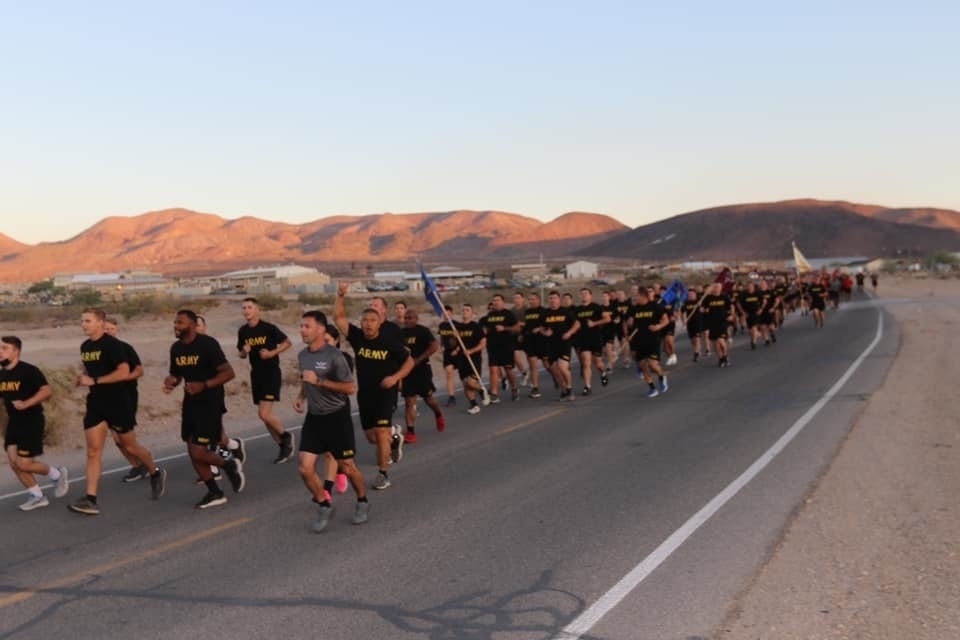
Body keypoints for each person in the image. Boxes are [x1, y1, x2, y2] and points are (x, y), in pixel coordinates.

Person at [70, 308, 165, 515]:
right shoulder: (85, 346)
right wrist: (81, 378)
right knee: (93, 451)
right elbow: (91, 369)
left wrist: (94, 381)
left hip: (118, 402)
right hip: (96, 403)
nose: (83, 324)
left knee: (129, 445)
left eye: (87, 321)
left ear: (100, 323)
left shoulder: (114, 345)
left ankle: (154, 471)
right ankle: (90, 499)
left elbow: (123, 372)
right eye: (82, 321)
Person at [334, 283, 414, 490]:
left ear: (380, 322)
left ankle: (383, 473)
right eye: (365, 320)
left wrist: (395, 378)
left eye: (372, 320)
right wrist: (340, 296)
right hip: (365, 395)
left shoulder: (389, 342)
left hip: (385, 394)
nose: (368, 324)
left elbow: (409, 361)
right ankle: (393, 439)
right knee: (372, 438)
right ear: (361, 323)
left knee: (380, 431)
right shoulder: (358, 338)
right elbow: (339, 319)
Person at [294, 310, 368, 532]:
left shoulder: (335, 356)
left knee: (347, 466)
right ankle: (324, 504)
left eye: (307, 326)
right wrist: (301, 396)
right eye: (301, 326)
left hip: (337, 418)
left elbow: (350, 388)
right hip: (314, 418)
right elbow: (306, 380)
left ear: (320, 330)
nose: (302, 330)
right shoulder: (303, 355)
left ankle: (362, 501)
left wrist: (321, 382)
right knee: (305, 469)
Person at [164, 310, 245, 509]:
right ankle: (215, 492)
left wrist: (204, 385)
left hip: (210, 403)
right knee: (192, 451)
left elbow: (229, 373)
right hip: (190, 404)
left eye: (180, 322)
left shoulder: (207, 344)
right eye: (175, 322)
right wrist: (172, 381)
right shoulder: (176, 348)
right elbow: (177, 374)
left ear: (191, 325)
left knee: (199, 451)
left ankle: (229, 464)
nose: (176, 325)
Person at [1, 336, 69, 511]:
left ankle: (56, 474)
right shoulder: (2, 374)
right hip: (13, 423)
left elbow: (47, 391)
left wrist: (26, 403)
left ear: (16, 351)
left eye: (4, 348)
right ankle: (37, 496)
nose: (0, 352)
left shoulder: (29, 371)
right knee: (14, 462)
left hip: (31, 422)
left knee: (23, 463)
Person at [237, 297, 294, 464]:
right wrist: (244, 352)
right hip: (256, 375)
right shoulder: (243, 331)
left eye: (249, 307)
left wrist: (271, 353)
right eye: (244, 308)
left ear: (257, 310)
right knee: (264, 416)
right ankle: (283, 446)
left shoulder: (268, 328)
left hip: (271, 373)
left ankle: (286, 436)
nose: (246, 310)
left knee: (264, 413)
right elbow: (240, 353)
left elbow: (287, 342)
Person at [195, 315, 246, 483]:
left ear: (205, 327)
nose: (194, 327)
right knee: (216, 434)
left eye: (198, 324)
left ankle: (214, 469)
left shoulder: (210, 344)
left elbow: (225, 371)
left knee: (208, 434)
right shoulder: (186, 347)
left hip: (213, 393)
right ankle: (234, 445)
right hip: (196, 396)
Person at [102, 317, 150, 482]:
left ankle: (149, 466)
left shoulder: (125, 348)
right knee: (117, 439)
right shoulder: (96, 350)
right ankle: (137, 466)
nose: (108, 332)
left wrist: (123, 377)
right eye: (105, 329)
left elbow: (139, 370)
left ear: (116, 330)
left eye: (111, 329)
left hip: (126, 396)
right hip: (107, 398)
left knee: (124, 437)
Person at [400, 307, 446, 443]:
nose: (407, 320)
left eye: (410, 318)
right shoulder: (400, 333)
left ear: (416, 318)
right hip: (407, 371)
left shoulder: (423, 331)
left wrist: (418, 360)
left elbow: (434, 346)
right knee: (409, 402)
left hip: (422, 370)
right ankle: (411, 432)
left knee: (429, 399)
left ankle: (438, 414)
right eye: (406, 318)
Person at [625, 287, 670, 398]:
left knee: (652, 364)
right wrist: (629, 327)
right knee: (643, 366)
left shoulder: (655, 307)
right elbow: (628, 322)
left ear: (643, 296)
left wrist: (658, 326)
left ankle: (661, 376)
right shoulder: (634, 309)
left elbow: (666, 320)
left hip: (652, 339)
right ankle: (652, 388)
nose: (634, 298)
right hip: (638, 341)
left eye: (636, 296)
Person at [542, 291, 580, 401]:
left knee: (563, 367)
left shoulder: (566, 311)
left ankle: (569, 388)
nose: (552, 300)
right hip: (550, 345)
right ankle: (564, 391)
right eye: (550, 298)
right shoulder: (546, 313)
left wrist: (569, 333)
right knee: (554, 371)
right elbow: (542, 327)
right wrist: (545, 332)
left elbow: (577, 324)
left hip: (564, 344)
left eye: (554, 298)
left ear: (559, 299)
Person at [483, 294, 520, 402]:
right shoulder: (489, 315)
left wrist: (505, 328)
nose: (495, 302)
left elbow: (517, 328)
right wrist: (484, 330)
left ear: (503, 302)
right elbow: (484, 327)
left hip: (506, 346)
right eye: (494, 300)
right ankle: (494, 394)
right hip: (493, 346)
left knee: (508, 369)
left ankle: (514, 388)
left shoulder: (508, 314)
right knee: (493, 370)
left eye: (498, 300)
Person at [453, 304, 487, 414]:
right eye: (463, 310)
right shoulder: (458, 327)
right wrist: (455, 337)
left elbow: (483, 344)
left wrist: (471, 351)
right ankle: (474, 405)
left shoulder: (476, 327)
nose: (464, 312)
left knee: (471, 382)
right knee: (465, 383)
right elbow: (455, 344)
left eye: (467, 310)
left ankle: (482, 390)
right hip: (462, 360)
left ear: (472, 313)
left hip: (474, 359)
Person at [574, 288, 609, 395]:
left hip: (595, 338)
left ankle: (603, 373)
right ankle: (587, 387)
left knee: (598, 363)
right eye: (582, 294)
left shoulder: (596, 307)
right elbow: (574, 323)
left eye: (586, 293)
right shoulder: (577, 309)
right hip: (583, 339)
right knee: (586, 362)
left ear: (590, 295)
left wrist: (594, 323)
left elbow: (607, 319)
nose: (584, 295)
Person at [700, 284, 734, 367]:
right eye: (715, 287)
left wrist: (731, 315)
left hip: (722, 321)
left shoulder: (724, 297)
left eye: (718, 287)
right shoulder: (708, 298)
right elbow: (702, 309)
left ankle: (725, 356)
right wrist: (703, 310)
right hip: (712, 322)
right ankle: (720, 359)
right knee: (715, 342)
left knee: (721, 341)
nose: (716, 289)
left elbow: (731, 306)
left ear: (721, 288)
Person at [520, 292, 546, 399]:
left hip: (542, 341)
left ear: (538, 300)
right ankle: (535, 388)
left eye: (534, 299)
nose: (531, 301)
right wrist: (522, 334)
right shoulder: (527, 312)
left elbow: (548, 324)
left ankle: (558, 379)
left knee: (548, 365)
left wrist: (540, 329)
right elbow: (526, 326)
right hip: (530, 341)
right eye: (530, 299)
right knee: (532, 365)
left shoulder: (544, 311)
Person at [437, 305, 459, 407]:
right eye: (444, 313)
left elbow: (464, 341)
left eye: (448, 313)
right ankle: (451, 397)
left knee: (466, 378)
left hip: (459, 353)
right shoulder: (441, 325)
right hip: (447, 354)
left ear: (451, 313)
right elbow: (441, 337)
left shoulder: (456, 325)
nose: (446, 315)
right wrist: (441, 347)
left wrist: (457, 349)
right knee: (449, 373)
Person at [511, 292, 529, 385]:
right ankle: (524, 373)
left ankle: (533, 378)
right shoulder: (512, 311)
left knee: (530, 358)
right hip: (515, 336)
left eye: (518, 298)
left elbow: (530, 324)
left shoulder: (527, 310)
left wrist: (521, 324)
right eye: (515, 298)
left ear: (523, 299)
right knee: (515, 356)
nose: (516, 300)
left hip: (526, 335)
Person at [682, 289, 704, 362]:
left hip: (698, 322)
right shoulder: (686, 303)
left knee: (697, 338)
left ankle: (696, 353)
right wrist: (683, 321)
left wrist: (701, 307)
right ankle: (697, 349)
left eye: (692, 294)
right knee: (692, 340)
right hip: (690, 323)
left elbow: (703, 310)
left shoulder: (699, 302)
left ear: (695, 294)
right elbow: (682, 312)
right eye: (689, 294)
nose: (690, 295)